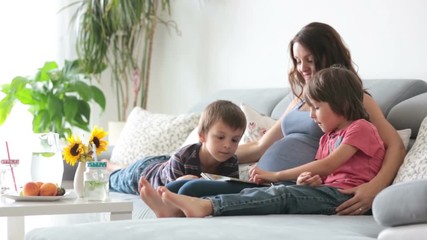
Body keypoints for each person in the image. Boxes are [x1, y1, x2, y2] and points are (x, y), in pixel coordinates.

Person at [165, 22, 405, 215]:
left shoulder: (353, 100)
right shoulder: (299, 100)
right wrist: (206, 152)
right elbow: (260, 146)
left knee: (192, 188)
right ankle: (163, 205)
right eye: (298, 61)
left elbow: (394, 144)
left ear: (329, 56)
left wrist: (376, 187)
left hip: (287, 186)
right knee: (180, 183)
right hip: (269, 182)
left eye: (309, 60)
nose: (302, 68)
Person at [139, 66, 386, 218]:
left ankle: (207, 207)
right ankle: (170, 207)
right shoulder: (328, 137)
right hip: (326, 190)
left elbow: (327, 165)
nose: (311, 115)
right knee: (273, 192)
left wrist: (275, 175)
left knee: (281, 195)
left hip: (344, 198)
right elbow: (319, 172)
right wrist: (307, 179)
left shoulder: (361, 128)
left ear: (341, 103)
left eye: (317, 108)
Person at [107, 100, 246, 194]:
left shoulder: (231, 161)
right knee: (113, 180)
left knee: (124, 168)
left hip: (165, 162)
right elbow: (168, 194)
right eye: (220, 137)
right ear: (202, 136)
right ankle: (110, 166)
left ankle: (115, 165)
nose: (228, 145)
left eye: (235, 140)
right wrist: (181, 183)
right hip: (145, 172)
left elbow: (229, 192)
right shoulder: (183, 158)